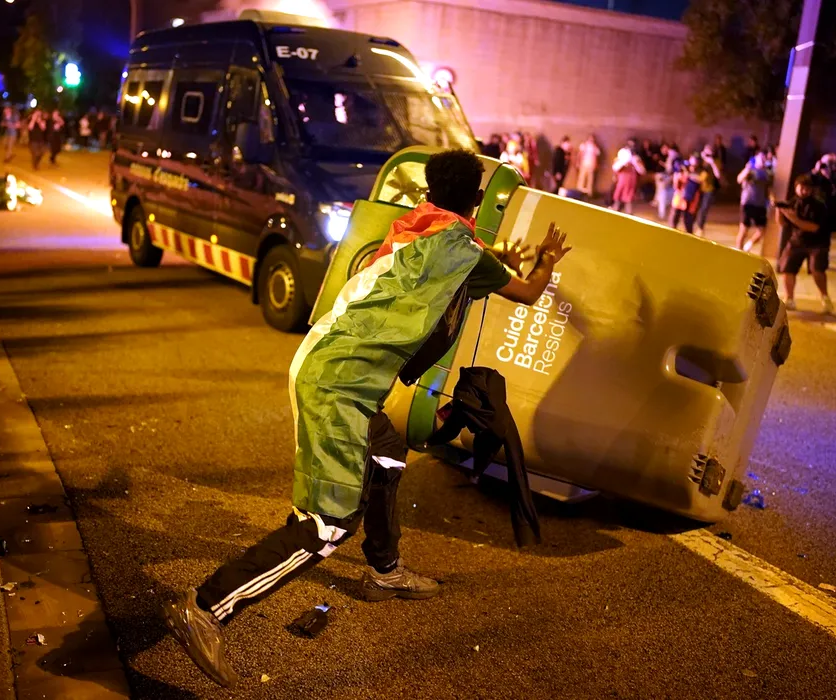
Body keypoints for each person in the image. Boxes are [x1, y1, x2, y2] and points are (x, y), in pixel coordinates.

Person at [161, 149, 573, 688]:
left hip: (327, 361)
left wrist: (496, 252)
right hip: (339, 385)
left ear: (430, 191)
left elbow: (462, 250)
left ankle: (384, 570)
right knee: (329, 526)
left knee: (387, 454)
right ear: (476, 198)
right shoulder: (464, 249)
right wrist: (546, 260)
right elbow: (527, 290)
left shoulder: (416, 226)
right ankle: (205, 609)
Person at [776, 174, 835, 314]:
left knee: (817, 270)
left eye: (807, 188)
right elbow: (783, 224)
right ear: (796, 188)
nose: (804, 191)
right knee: (787, 268)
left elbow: (812, 227)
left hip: (818, 243)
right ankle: (789, 299)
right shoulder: (793, 202)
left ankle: (825, 298)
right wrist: (779, 211)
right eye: (801, 188)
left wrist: (792, 217)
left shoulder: (818, 205)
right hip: (797, 240)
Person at [736, 153, 772, 252]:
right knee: (744, 230)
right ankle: (738, 251)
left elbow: (768, 188)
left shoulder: (767, 173)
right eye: (760, 158)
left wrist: (769, 201)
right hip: (748, 203)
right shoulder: (750, 170)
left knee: (762, 231)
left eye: (764, 158)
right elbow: (739, 179)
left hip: (760, 205)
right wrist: (748, 168)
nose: (762, 160)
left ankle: (748, 245)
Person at [669, 156, 703, 234]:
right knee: (673, 222)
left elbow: (700, 181)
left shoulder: (700, 173)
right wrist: (678, 176)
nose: (692, 167)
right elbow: (676, 186)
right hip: (679, 201)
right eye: (691, 164)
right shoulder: (681, 174)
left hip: (691, 203)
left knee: (688, 224)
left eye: (694, 165)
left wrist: (687, 175)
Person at [610, 141, 644, 214]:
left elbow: (642, 171)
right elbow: (615, 167)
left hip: (631, 179)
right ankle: (616, 209)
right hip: (622, 179)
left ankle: (628, 213)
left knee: (629, 196)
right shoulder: (621, 156)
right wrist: (623, 162)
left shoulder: (636, 158)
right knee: (618, 194)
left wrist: (635, 163)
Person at [695, 146, 722, 235]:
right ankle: (696, 225)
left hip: (709, 189)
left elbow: (718, 175)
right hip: (699, 188)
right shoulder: (702, 160)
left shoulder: (715, 161)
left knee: (704, 208)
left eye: (709, 151)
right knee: (696, 208)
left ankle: (700, 228)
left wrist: (712, 162)